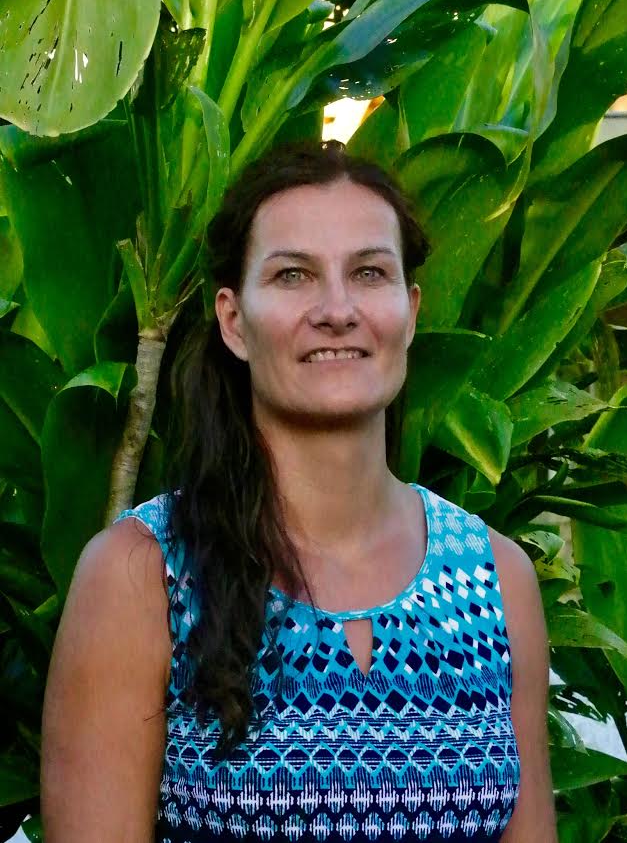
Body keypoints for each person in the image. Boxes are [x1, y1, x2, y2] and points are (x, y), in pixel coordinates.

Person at [41, 140, 557, 842]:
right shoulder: (142, 577)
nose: (337, 309)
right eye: (293, 275)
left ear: (409, 311)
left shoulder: (495, 580)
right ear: (233, 320)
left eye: (368, 272)